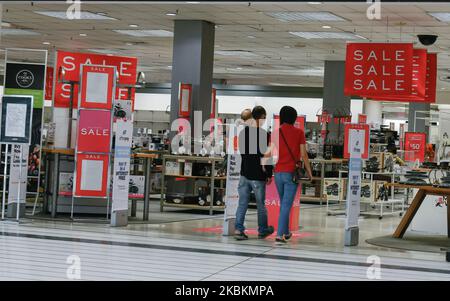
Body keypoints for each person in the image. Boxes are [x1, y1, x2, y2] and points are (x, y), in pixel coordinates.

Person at [265, 106, 312, 243]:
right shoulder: (299, 133)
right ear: (293, 117)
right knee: (286, 206)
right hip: (291, 174)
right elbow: (303, 154)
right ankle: (279, 235)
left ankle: (286, 231)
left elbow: (268, 153)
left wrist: (265, 167)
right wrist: (309, 172)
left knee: (284, 204)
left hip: (278, 173)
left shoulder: (274, 133)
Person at [234, 106, 274, 240]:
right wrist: (269, 173)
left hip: (244, 173)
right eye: (264, 117)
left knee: (242, 203)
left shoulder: (243, 133)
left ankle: (238, 230)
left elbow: (242, 153)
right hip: (257, 175)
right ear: (261, 117)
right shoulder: (264, 134)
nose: (264, 120)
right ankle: (262, 230)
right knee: (260, 204)